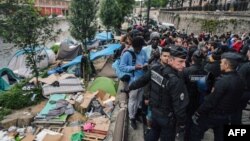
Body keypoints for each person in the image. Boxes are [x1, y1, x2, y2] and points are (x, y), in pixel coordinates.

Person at [129, 46, 189, 141]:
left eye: (185, 61)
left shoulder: (155, 69)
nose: (184, 65)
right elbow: (179, 106)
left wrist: (130, 87)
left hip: (155, 113)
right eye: (180, 61)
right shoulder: (175, 80)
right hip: (167, 118)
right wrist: (181, 125)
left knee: (154, 132)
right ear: (171, 60)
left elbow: (142, 81)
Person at [190, 52, 245, 141]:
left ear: (226, 65)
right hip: (227, 115)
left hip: (214, 114)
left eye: (221, 62)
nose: (220, 64)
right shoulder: (240, 79)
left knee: (196, 132)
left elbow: (211, 101)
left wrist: (198, 112)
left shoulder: (223, 81)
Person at [119, 36, 148, 130]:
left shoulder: (143, 52)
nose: (139, 50)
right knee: (132, 99)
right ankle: (132, 118)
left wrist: (146, 65)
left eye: (140, 48)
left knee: (139, 100)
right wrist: (134, 67)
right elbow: (122, 67)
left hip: (142, 80)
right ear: (134, 46)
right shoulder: (127, 54)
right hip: (133, 81)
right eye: (137, 48)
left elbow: (146, 60)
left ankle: (136, 114)